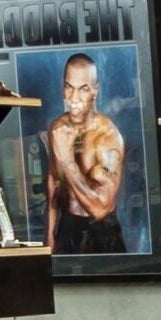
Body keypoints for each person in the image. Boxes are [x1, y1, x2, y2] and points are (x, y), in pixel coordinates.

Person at [46, 51, 127, 255]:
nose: (73, 98)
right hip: (68, 226)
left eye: (83, 89)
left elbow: (100, 209)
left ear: (95, 91)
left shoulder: (108, 138)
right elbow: (54, 181)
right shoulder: (58, 129)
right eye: (68, 87)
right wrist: (50, 233)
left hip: (102, 233)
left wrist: (68, 162)